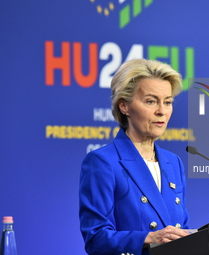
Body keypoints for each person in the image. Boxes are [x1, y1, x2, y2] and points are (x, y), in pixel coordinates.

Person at [79, 59, 189, 255]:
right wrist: (147, 238)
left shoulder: (174, 162)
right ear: (124, 106)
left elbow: (180, 228)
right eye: (151, 101)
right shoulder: (103, 162)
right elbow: (95, 238)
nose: (161, 111)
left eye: (168, 102)